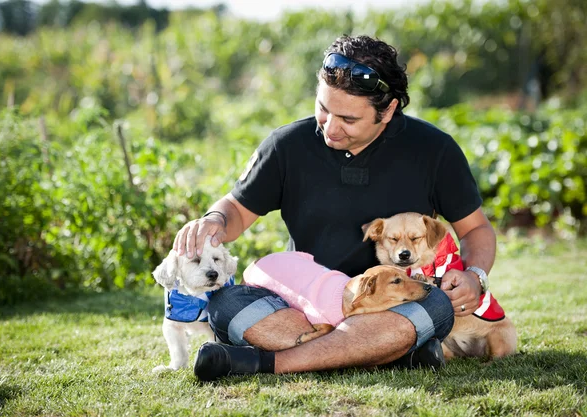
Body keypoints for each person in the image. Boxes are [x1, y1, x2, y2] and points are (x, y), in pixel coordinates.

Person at [172, 35, 496, 381]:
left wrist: (475, 276)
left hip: (396, 303)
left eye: (348, 119)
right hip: (300, 308)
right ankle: (390, 354)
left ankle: (265, 362)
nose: (329, 126)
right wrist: (214, 220)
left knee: (435, 305)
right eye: (323, 109)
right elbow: (236, 210)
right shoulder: (287, 146)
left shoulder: (435, 150)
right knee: (226, 304)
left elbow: (476, 229)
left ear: (387, 111)